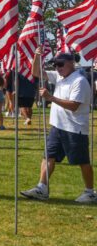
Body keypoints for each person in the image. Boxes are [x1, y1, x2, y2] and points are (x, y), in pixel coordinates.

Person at [21, 52, 95, 203]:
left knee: (82, 161)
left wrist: (51, 98)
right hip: (57, 126)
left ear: (71, 63)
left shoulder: (79, 81)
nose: (58, 67)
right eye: (55, 65)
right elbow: (36, 72)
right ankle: (42, 187)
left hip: (75, 128)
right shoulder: (59, 76)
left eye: (61, 64)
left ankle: (90, 192)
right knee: (48, 156)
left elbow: (74, 106)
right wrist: (36, 55)